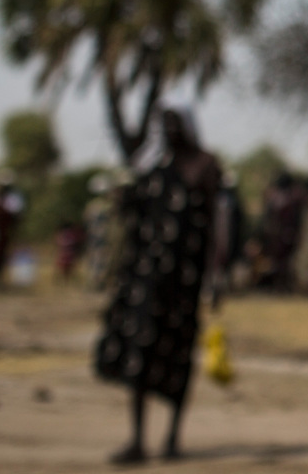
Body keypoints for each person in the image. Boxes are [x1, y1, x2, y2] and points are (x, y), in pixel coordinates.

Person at [93, 106, 223, 464]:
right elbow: (131, 210)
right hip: (146, 277)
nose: (167, 133)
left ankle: (172, 439)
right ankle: (137, 439)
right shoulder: (154, 170)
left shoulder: (205, 166)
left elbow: (214, 223)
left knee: (179, 356)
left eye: (172, 126)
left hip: (183, 281)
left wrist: (216, 276)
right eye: (161, 128)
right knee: (139, 351)